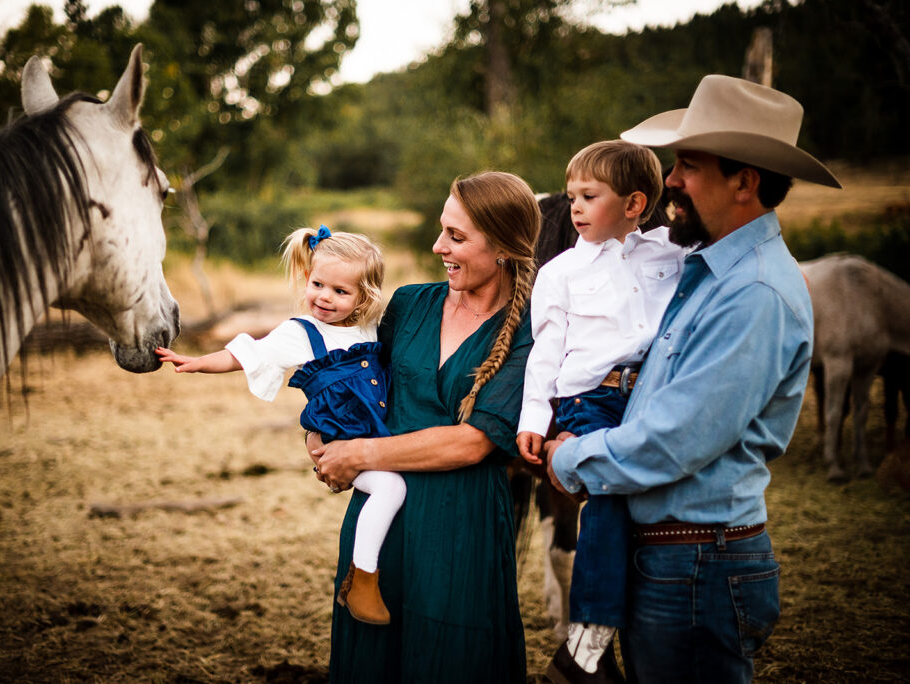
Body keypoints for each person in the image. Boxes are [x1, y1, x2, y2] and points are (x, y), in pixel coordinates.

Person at [544, 74, 841, 683]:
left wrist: (569, 458)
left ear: (744, 182)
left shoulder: (752, 293)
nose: (669, 180)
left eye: (687, 165)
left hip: (700, 562)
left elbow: (674, 439)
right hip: (678, 557)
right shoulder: (707, 271)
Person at [309, 171, 540, 683]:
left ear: (503, 246)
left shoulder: (530, 330)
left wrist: (361, 456)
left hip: (462, 528)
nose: (439, 246)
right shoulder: (410, 304)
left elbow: (473, 442)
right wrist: (321, 437)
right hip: (380, 525)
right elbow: (353, 383)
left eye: (456, 237)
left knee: (452, 659)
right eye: (442, 230)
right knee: (369, 657)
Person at [155, 226, 405, 626]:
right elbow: (247, 354)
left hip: (384, 437)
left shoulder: (371, 331)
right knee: (392, 487)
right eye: (318, 284)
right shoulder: (300, 333)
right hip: (345, 445)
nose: (324, 297)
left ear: (364, 297)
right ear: (307, 279)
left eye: (340, 292)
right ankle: (363, 580)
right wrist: (197, 362)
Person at [516, 140, 688, 683]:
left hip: (651, 395)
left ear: (636, 204)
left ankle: (642, 624)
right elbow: (546, 351)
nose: (576, 208)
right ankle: (587, 642)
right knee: (609, 503)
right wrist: (533, 419)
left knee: (655, 506)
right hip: (590, 399)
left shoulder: (671, 254)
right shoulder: (561, 272)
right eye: (572, 197)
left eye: (590, 196)